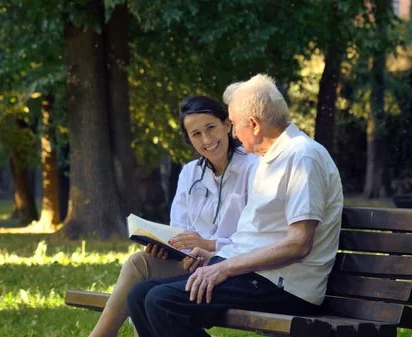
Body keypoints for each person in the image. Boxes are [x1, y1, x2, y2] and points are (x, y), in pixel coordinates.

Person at [126, 74, 344, 337]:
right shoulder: (271, 159)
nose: (233, 132)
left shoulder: (303, 157)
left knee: (162, 301)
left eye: (234, 124)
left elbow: (299, 243)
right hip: (257, 275)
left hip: (285, 285)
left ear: (253, 124)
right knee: (140, 294)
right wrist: (217, 257)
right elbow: (259, 236)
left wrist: (224, 267)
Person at [88, 95, 257, 337]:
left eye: (211, 128)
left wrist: (209, 246)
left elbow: (256, 238)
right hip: (191, 264)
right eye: (196, 134)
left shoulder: (254, 168)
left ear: (227, 125)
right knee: (139, 262)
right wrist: (168, 248)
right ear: (189, 139)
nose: (207, 139)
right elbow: (179, 230)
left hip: (230, 268)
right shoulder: (190, 173)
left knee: (147, 294)